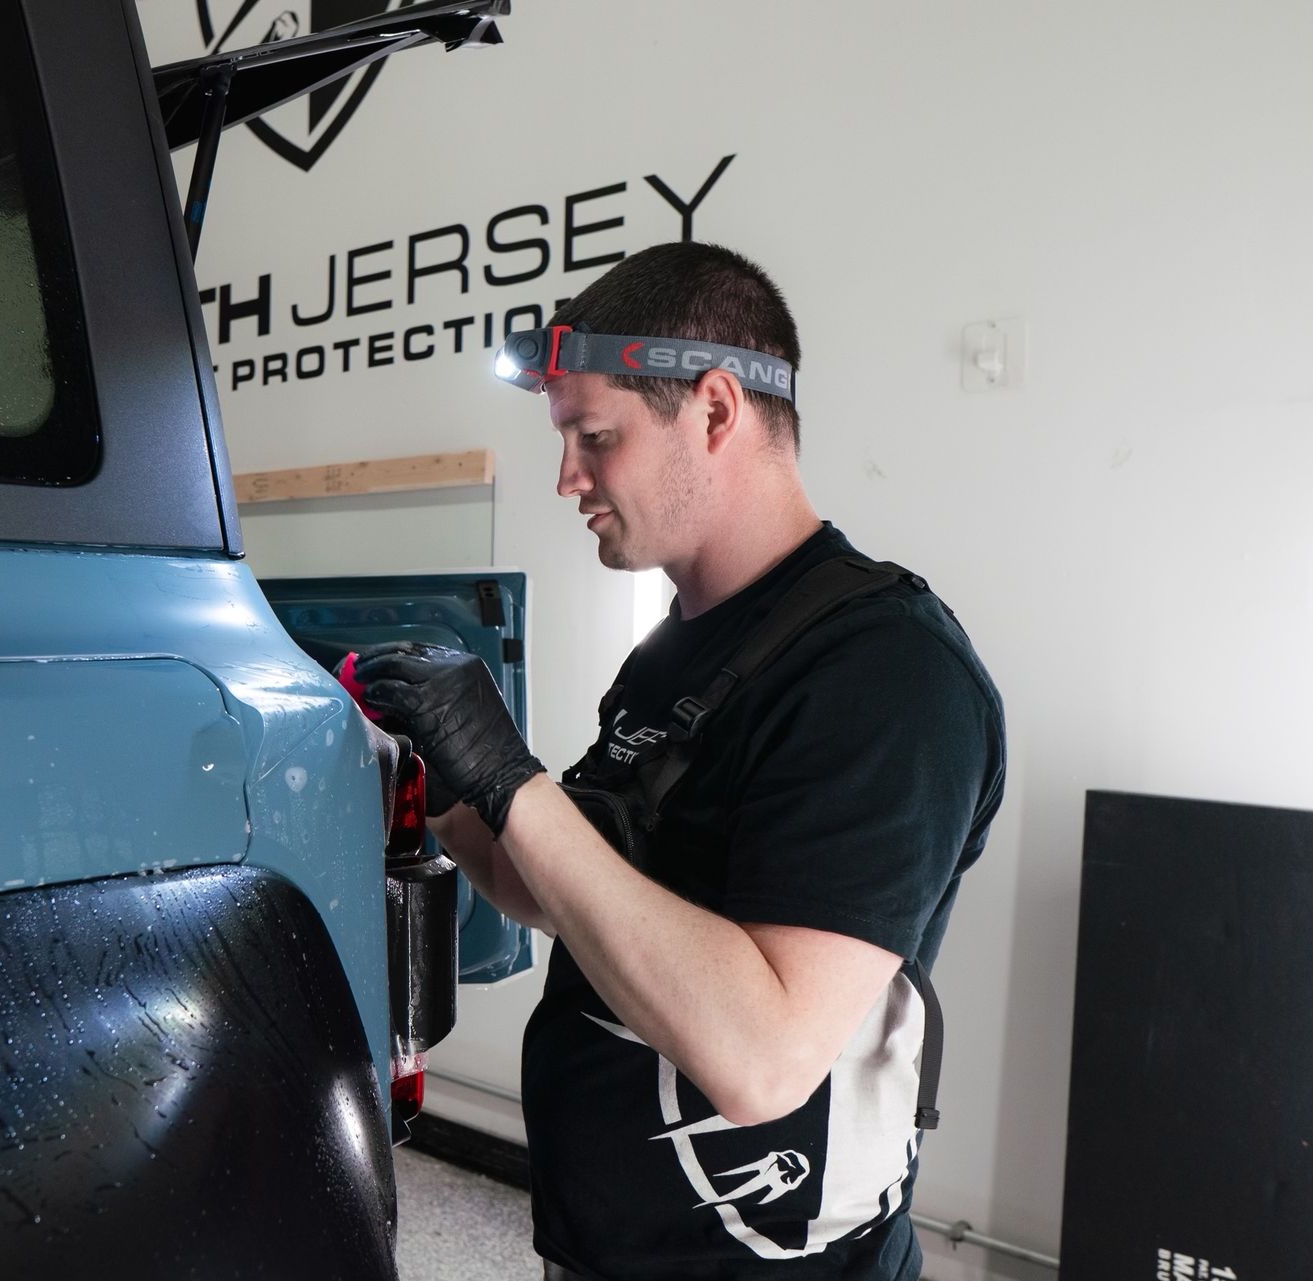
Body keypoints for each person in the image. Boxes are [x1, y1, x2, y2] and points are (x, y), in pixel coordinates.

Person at [356, 243, 1006, 1281]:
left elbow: (763, 1058)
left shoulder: (886, 674)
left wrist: (512, 777)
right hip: (605, 1243)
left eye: (593, 436)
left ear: (714, 410)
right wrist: (426, 773)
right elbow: (552, 886)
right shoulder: (677, 652)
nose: (566, 476)